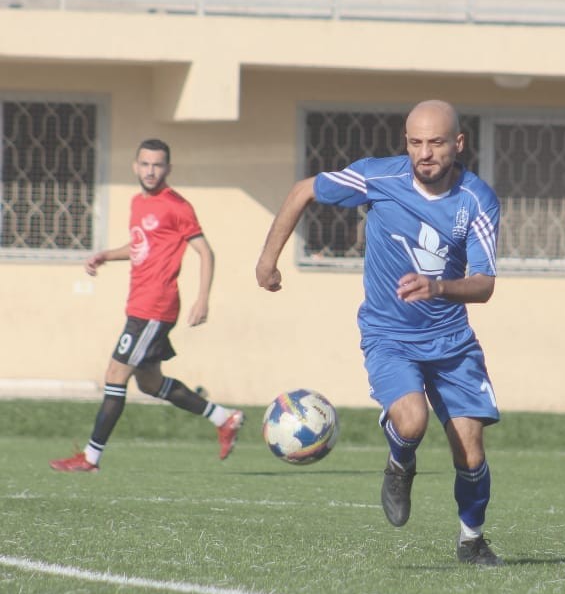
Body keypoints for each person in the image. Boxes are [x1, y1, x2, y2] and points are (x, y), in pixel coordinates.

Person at [255, 99, 504, 567]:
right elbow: (303, 191)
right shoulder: (378, 177)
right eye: (415, 143)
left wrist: (438, 287)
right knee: (411, 422)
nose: (424, 154)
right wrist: (267, 261)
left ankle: (472, 540)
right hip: (389, 334)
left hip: (451, 342)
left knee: (470, 452)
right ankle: (400, 462)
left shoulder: (477, 200)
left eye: (436, 143)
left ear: (458, 143)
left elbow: (484, 284)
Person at [50, 139, 245, 473]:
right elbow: (141, 245)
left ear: (168, 168)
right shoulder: (137, 203)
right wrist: (106, 255)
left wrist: (202, 299)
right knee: (150, 384)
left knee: (115, 374)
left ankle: (90, 457)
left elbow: (205, 252)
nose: (151, 171)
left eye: (157, 165)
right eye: (145, 164)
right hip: (139, 303)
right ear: (135, 166)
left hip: (155, 306)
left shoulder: (177, 206)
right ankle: (224, 418)